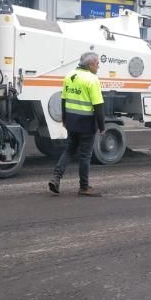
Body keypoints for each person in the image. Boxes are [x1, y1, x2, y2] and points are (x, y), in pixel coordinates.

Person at [48, 52, 105, 197]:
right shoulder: (92, 79)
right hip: (87, 123)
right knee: (85, 155)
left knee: (69, 150)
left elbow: (63, 100)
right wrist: (102, 127)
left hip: (72, 122)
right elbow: (98, 106)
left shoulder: (69, 76)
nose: (98, 66)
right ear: (90, 65)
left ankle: (56, 178)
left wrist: (65, 119)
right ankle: (84, 187)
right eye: (97, 63)